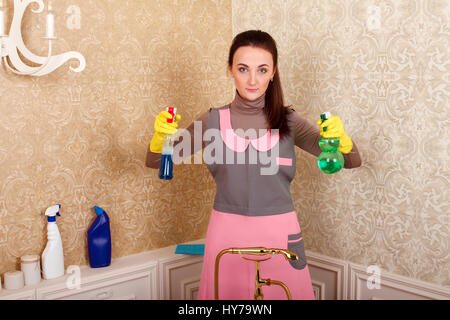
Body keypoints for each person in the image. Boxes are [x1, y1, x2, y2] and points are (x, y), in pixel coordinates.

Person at [146, 30, 361, 300]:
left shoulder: (288, 121)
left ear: (273, 72)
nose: (252, 80)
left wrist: (339, 140)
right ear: (230, 70)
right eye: (243, 69)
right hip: (226, 232)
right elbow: (156, 161)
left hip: (280, 232)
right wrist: (160, 138)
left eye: (262, 70)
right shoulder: (213, 120)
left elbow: (352, 161)